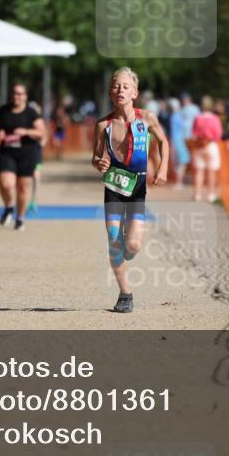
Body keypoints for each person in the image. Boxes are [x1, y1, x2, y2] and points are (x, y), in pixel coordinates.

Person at [92, 67, 169, 314]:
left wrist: (163, 168)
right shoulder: (103, 124)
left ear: (134, 92)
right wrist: (99, 162)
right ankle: (125, 294)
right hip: (114, 187)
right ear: (110, 92)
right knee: (115, 243)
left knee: (133, 246)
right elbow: (95, 156)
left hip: (137, 187)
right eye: (116, 86)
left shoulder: (146, 118)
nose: (120, 90)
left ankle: (126, 251)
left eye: (125, 86)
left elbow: (163, 141)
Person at [0, 84, 46, 231]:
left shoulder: (31, 113)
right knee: (6, 184)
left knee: (23, 187)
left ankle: (20, 217)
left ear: (25, 96)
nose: (17, 97)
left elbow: (42, 132)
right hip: (7, 152)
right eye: (15, 94)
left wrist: (26, 131)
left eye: (20, 94)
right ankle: (9, 207)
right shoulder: (4, 110)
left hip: (26, 153)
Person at [191, 96, 223, 203]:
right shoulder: (215, 118)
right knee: (211, 171)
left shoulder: (198, 118)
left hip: (199, 145)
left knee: (199, 171)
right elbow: (218, 134)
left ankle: (197, 194)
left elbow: (194, 133)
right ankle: (211, 194)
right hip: (211, 145)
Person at [168, 97, 189, 187]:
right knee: (181, 161)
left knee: (179, 161)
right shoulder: (178, 115)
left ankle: (178, 181)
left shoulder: (174, 116)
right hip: (180, 140)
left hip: (177, 140)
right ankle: (179, 182)